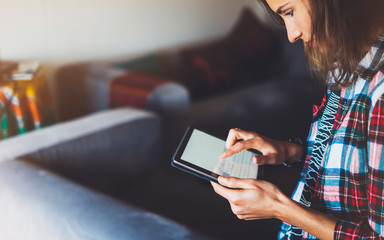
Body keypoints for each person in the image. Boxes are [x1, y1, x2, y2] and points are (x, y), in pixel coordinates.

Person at [211, 0, 384, 239]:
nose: (292, 35)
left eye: (290, 12)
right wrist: (289, 151)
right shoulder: (346, 63)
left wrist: (279, 208)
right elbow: (356, 164)